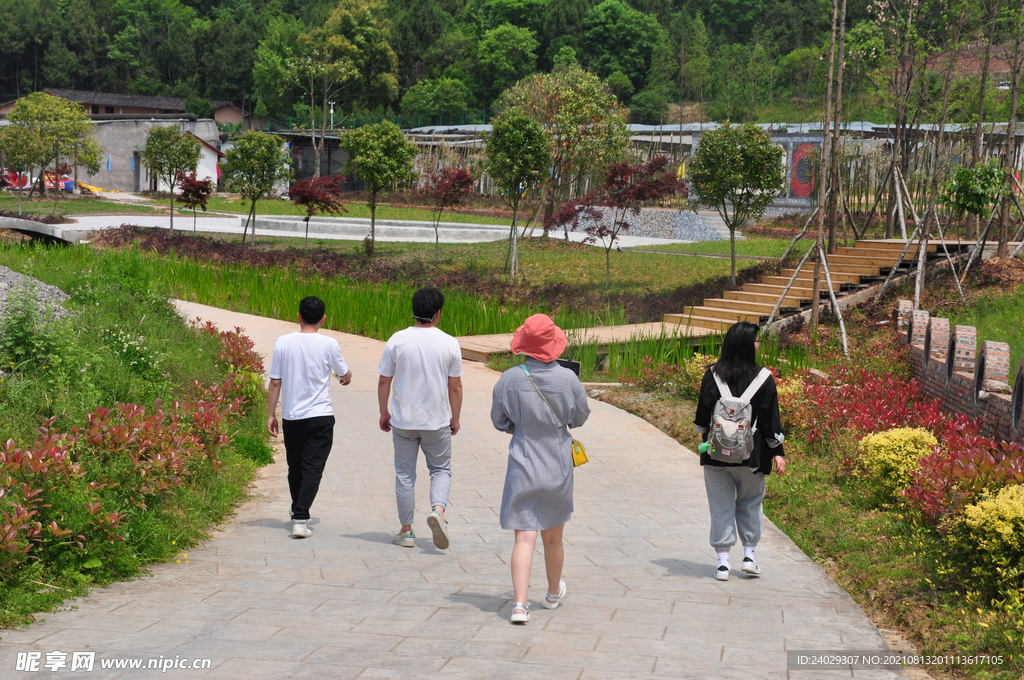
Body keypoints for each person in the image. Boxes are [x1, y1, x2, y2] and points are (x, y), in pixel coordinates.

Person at [490, 314, 591, 624]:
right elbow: (580, 417)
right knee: (553, 538)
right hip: (558, 464)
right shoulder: (568, 380)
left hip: (523, 462)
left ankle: (519, 605)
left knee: (524, 539)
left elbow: (499, 421)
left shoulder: (509, 379)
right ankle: (551, 593)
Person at [693, 321, 785, 581]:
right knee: (751, 504)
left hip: (714, 454)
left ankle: (722, 564)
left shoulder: (712, 374)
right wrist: (777, 452)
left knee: (720, 506)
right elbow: (770, 420)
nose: (758, 345)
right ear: (747, 345)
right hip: (752, 456)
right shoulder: (764, 378)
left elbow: (702, 414)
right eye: (757, 341)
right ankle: (749, 557)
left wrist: (704, 437)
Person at [378, 286, 463, 550]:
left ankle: (406, 532)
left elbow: (384, 381)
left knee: (404, 475)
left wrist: (384, 411)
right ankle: (437, 511)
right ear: (438, 313)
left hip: (403, 420)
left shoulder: (397, 340)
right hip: (436, 420)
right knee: (440, 470)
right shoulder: (449, 343)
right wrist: (455, 417)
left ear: (414, 311)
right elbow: (455, 386)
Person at [267, 296, 352, 539]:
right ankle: (301, 517)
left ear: (299, 316)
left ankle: (298, 512)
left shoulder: (283, 342)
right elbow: (343, 373)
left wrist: (271, 414)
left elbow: (275, 382)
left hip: (293, 417)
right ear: (323, 318)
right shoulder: (329, 343)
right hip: (321, 417)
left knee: (295, 466)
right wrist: (346, 377)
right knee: (313, 467)